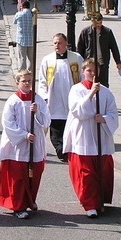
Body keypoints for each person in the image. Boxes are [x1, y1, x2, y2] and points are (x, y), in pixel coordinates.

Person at [63, 58, 119, 218]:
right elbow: (77, 111)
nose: (92, 74)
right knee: (86, 172)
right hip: (83, 135)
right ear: (83, 72)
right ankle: (89, 204)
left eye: (95, 71)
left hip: (100, 134)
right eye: (89, 71)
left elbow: (113, 113)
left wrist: (105, 118)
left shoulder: (106, 92)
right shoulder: (76, 90)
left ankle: (99, 200)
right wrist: (91, 94)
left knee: (100, 171)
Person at [0, 69, 51, 219]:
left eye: (29, 81)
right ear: (17, 83)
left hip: (35, 141)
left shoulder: (37, 99)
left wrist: (37, 111)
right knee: (19, 176)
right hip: (18, 145)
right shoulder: (13, 101)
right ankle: (18, 206)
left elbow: (46, 120)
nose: (27, 83)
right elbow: (8, 123)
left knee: (35, 172)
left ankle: (29, 200)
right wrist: (24, 135)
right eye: (24, 81)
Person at [38, 33, 84, 162]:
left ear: (66, 43)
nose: (56, 46)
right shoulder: (47, 60)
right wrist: (44, 96)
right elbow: (42, 80)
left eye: (59, 43)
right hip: (54, 99)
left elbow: (82, 77)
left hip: (71, 97)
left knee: (69, 125)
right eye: (54, 43)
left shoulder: (76, 58)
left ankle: (66, 148)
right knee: (55, 128)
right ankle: (60, 149)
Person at [76, 13, 121, 87]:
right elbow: (80, 48)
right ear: (92, 21)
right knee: (90, 83)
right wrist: (79, 62)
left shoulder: (107, 32)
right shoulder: (85, 32)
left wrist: (118, 61)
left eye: (100, 23)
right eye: (97, 23)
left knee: (103, 84)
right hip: (90, 62)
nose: (99, 25)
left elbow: (114, 47)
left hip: (102, 63)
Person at [13, 0, 33, 70]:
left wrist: (19, 11)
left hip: (21, 39)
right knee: (31, 58)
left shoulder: (19, 14)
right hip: (30, 39)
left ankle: (22, 73)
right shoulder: (32, 14)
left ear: (22, 6)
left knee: (22, 58)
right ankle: (30, 73)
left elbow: (14, 22)